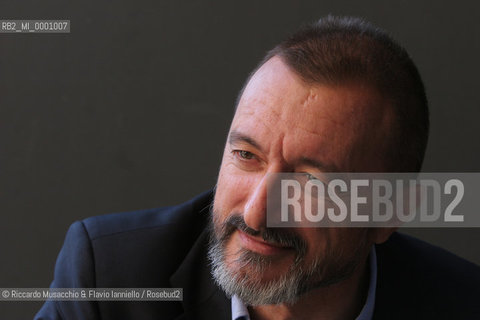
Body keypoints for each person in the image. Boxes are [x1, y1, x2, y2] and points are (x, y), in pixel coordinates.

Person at [35, 16, 480, 320]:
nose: (255, 214)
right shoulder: (108, 280)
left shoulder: (462, 303)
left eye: (309, 182)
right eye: (246, 155)